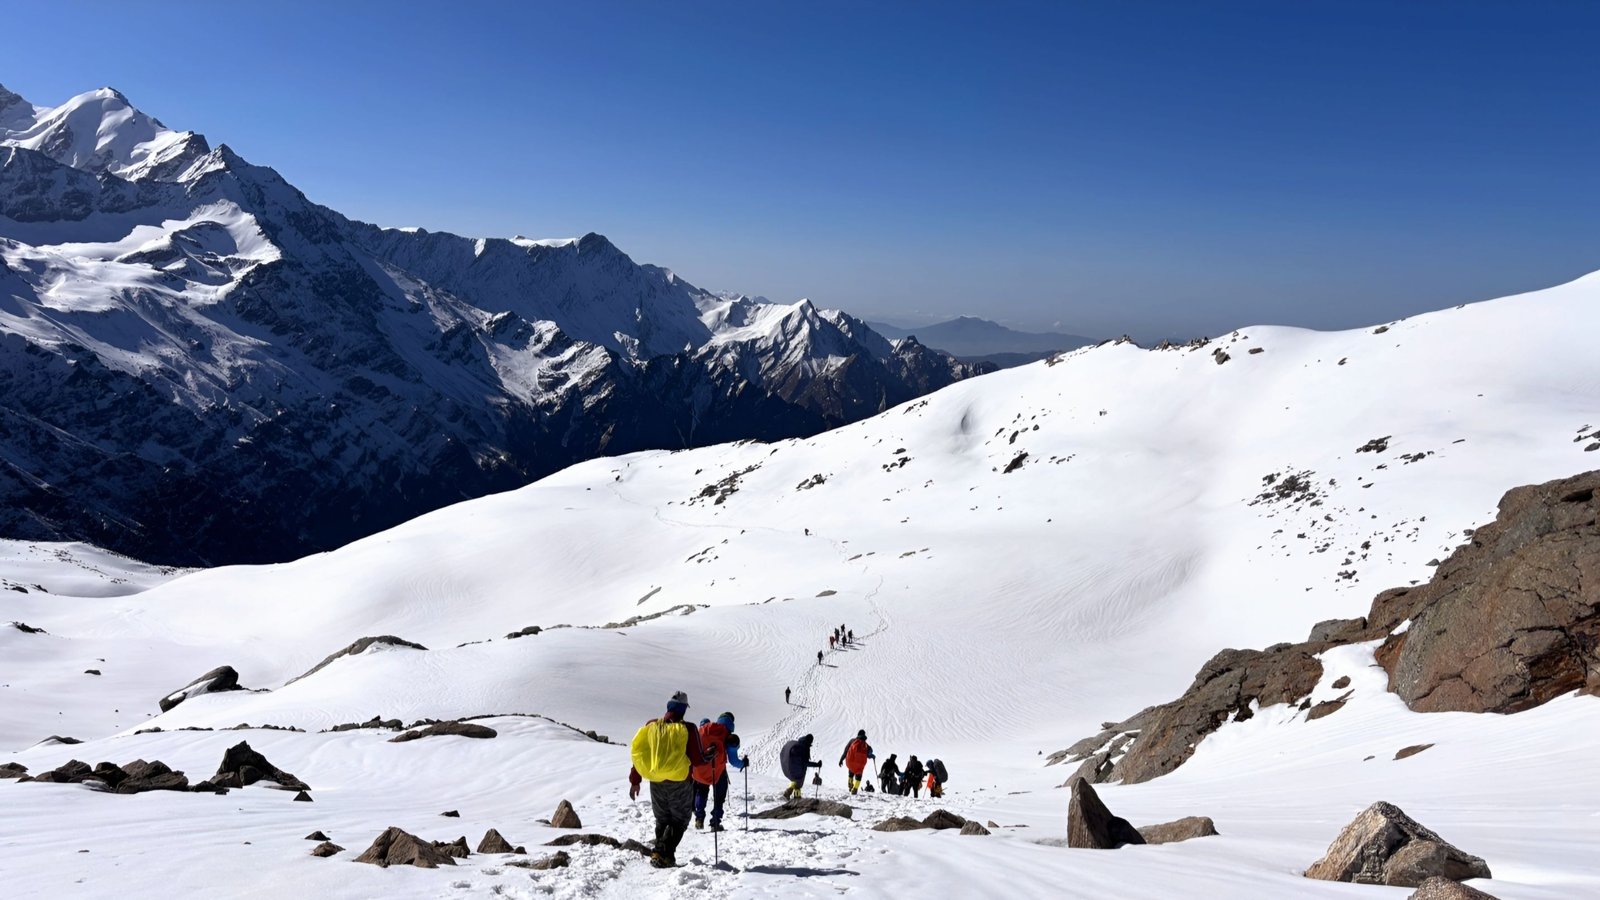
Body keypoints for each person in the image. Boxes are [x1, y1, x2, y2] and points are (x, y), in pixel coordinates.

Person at [628, 690, 709, 868]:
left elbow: (641, 755)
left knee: (662, 819)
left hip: (656, 781)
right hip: (680, 782)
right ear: (684, 709)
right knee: (680, 820)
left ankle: (664, 855)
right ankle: (661, 852)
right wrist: (709, 756)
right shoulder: (688, 728)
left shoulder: (651, 725)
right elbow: (697, 759)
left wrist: (635, 780)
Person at [692, 712, 748, 831]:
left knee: (701, 792)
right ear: (731, 723)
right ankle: (715, 823)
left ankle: (699, 818)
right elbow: (733, 761)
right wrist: (744, 763)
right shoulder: (727, 735)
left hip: (700, 770)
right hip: (718, 771)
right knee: (719, 797)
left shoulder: (705, 729)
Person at [780, 733, 823, 799]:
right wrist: (817, 764)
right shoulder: (802, 748)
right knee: (798, 784)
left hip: (792, 767)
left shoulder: (800, 744)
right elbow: (805, 763)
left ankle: (794, 795)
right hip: (798, 769)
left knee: (795, 782)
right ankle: (791, 794)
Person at [837, 729, 875, 795]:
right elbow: (869, 754)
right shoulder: (866, 745)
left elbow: (846, 751)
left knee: (851, 772)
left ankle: (850, 784)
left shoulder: (852, 741)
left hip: (851, 762)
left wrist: (841, 760)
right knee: (858, 776)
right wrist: (872, 756)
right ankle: (855, 788)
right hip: (860, 764)